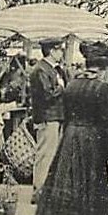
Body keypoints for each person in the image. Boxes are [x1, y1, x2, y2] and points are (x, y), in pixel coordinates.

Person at [27, 42, 108, 215]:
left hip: (70, 137)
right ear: (104, 69)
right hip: (91, 139)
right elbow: (107, 120)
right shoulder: (104, 88)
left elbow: (66, 113)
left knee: (66, 182)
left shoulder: (71, 85)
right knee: (92, 185)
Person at [28, 37, 68, 202]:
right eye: (60, 50)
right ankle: (39, 190)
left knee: (50, 154)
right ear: (52, 51)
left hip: (55, 117)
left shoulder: (53, 69)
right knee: (45, 154)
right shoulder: (41, 70)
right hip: (47, 117)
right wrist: (61, 88)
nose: (61, 53)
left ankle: (45, 189)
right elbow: (47, 95)